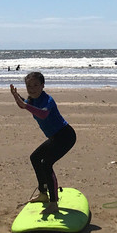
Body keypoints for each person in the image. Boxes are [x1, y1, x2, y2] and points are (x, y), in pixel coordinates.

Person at [11, 71, 77, 210]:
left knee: (46, 164)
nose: (32, 88)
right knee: (35, 158)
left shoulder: (48, 100)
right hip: (55, 138)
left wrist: (24, 105)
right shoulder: (32, 100)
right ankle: (43, 193)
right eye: (29, 85)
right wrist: (17, 97)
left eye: (35, 85)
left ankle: (53, 202)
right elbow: (24, 104)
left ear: (42, 85)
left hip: (66, 136)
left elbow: (43, 113)